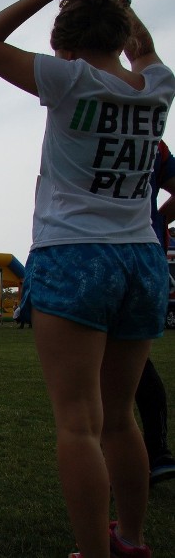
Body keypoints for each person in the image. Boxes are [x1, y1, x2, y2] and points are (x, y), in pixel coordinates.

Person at [0, 0, 175, 557]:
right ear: (120, 34)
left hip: (75, 255)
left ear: (63, 45)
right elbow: (146, 48)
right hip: (143, 257)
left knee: (78, 424)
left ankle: (93, 551)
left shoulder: (70, 80)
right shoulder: (159, 86)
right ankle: (131, 539)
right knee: (121, 418)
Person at [138, 140, 175, 485]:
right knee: (137, 362)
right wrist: (160, 217)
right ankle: (158, 450)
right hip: (147, 257)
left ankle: (113, 457)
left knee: (97, 371)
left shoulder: (78, 114)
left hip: (89, 253)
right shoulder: (152, 138)